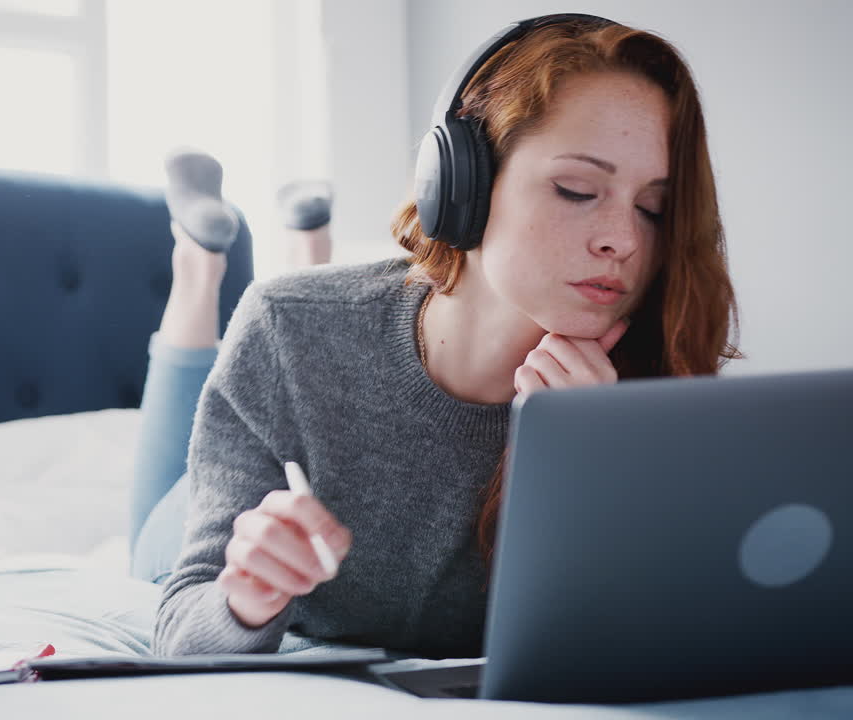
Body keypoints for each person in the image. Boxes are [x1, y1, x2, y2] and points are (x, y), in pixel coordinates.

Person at [147, 15, 740, 659]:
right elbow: (182, 625)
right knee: (168, 482)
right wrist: (246, 595)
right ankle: (200, 266)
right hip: (188, 520)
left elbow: (654, 645)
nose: (623, 241)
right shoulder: (286, 325)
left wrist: (596, 476)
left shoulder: (655, 384)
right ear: (463, 184)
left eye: (652, 208)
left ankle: (304, 242)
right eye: (577, 189)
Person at [128, 146, 334, 582]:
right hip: (316, 500)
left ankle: (202, 261)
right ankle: (304, 271)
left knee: (146, 558)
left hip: (232, 537)